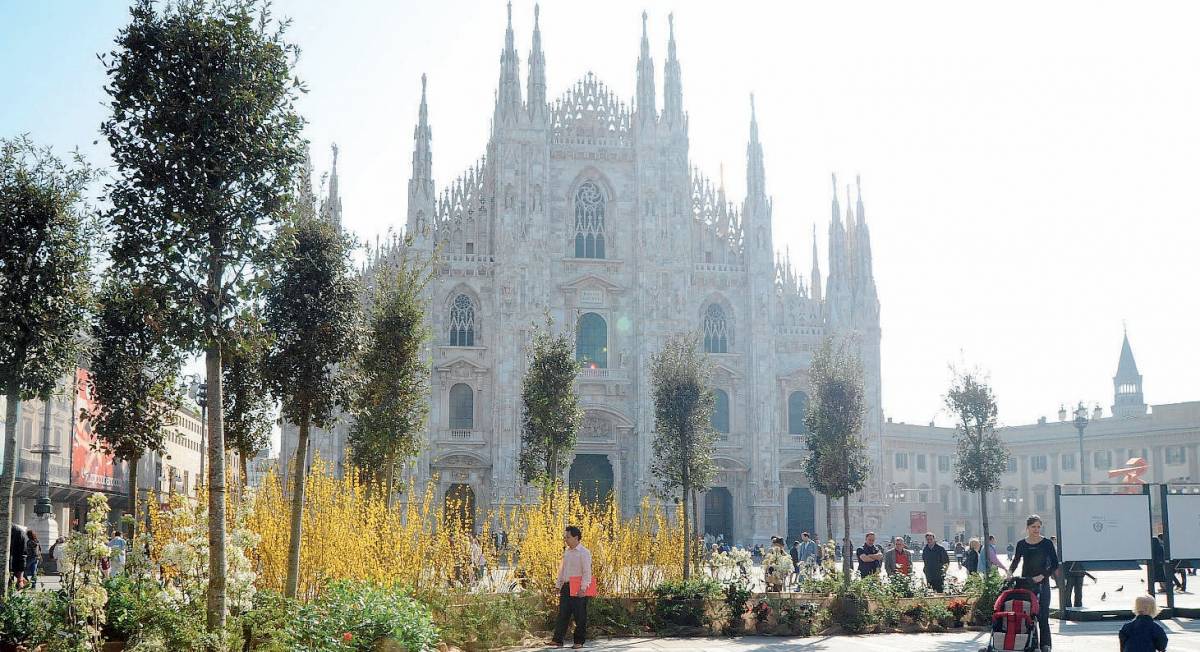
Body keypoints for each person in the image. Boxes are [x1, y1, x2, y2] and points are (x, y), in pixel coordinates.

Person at [1007, 515, 1058, 652]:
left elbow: (1054, 564)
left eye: (1038, 527)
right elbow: (1016, 561)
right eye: (1033, 527)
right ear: (1027, 528)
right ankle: (1029, 642)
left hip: (1042, 582)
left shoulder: (1047, 543)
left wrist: (1042, 576)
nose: (1036, 529)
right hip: (1026, 583)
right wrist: (1010, 573)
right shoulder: (1021, 544)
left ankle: (1045, 644)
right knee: (1028, 615)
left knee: (1043, 615)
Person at [549, 525, 592, 649]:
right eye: (565, 537)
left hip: (579, 585)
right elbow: (562, 570)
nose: (565, 539)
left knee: (580, 616)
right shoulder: (567, 551)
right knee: (563, 614)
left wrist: (583, 588)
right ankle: (557, 640)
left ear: (576, 537)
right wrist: (558, 585)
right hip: (567, 586)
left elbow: (587, 572)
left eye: (568, 537)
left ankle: (579, 642)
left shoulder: (584, 552)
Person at [9, 524, 27, 590]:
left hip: (8, 572)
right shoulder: (18, 532)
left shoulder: (18, 532)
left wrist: (20, 579)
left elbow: (22, 556)